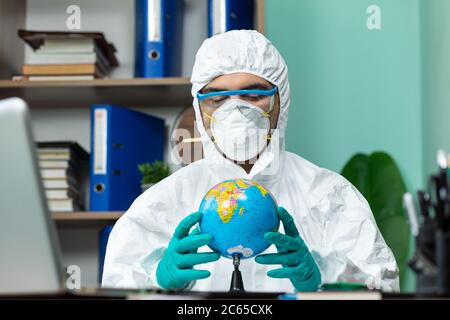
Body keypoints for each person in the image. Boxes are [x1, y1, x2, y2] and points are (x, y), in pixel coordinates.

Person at [102, 30, 399, 292]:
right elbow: (115, 285)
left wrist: (325, 275)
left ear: (280, 101)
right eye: (217, 99)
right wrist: (157, 278)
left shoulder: (329, 196)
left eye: (254, 95)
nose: (236, 110)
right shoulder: (161, 204)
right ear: (199, 107)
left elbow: (383, 284)